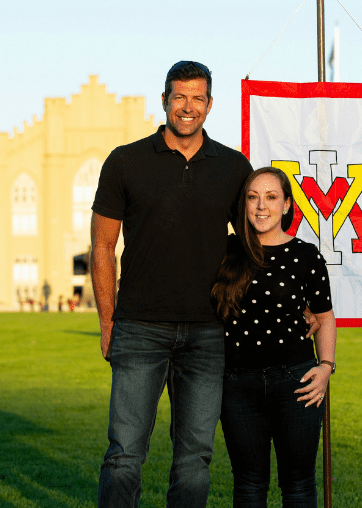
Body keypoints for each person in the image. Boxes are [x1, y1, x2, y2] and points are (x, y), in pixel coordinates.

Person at [91, 61, 254, 508]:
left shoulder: (234, 166)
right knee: (124, 455)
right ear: (164, 100)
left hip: (207, 332)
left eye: (197, 98)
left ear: (210, 104)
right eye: (179, 97)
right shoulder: (125, 161)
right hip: (139, 327)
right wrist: (108, 323)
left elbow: (257, 239)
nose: (187, 107)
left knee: (195, 459)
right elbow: (102, 247)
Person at [211, 166, 337, 507]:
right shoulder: (225, 252)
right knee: (249, 485)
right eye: (252, 198)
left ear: (286, 205)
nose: (261, 206)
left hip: (296, 382)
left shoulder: (306, 256)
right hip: (236, 385)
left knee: (298, 485)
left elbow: (325, 317)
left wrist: (326, 366)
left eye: (270, 197)